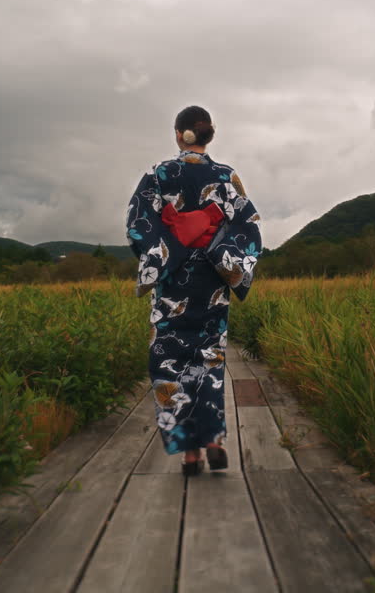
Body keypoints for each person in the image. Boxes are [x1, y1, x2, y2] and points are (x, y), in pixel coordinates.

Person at [125, 105, 262, 476]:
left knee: (169, 363)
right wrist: (223, 257)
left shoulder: (159, 174)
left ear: (178, 133)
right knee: (210, 361)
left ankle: (189, 454)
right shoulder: (226, 176)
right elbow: (247, 225)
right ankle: (213, 440)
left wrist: (166, 252)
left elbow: (139, 221)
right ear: (208, 135)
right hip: (213, 282)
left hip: (172, 281)